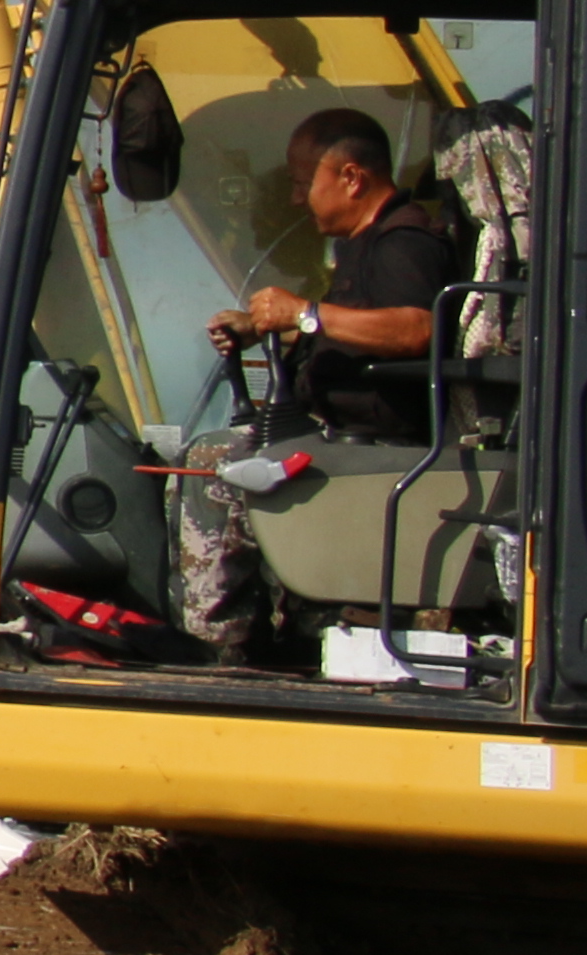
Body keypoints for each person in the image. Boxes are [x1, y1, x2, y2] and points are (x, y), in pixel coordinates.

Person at [174, 108, 479, 660]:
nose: (295, 199)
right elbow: (353, 334)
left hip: (377, 448)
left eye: (300, 183)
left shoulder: (404, 241)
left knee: (210, 461)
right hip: (336, 437)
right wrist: (264, 331)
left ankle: (225, 648)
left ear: (351, 178)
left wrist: (306, 314)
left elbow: (416, 328)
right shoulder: (360, 246)